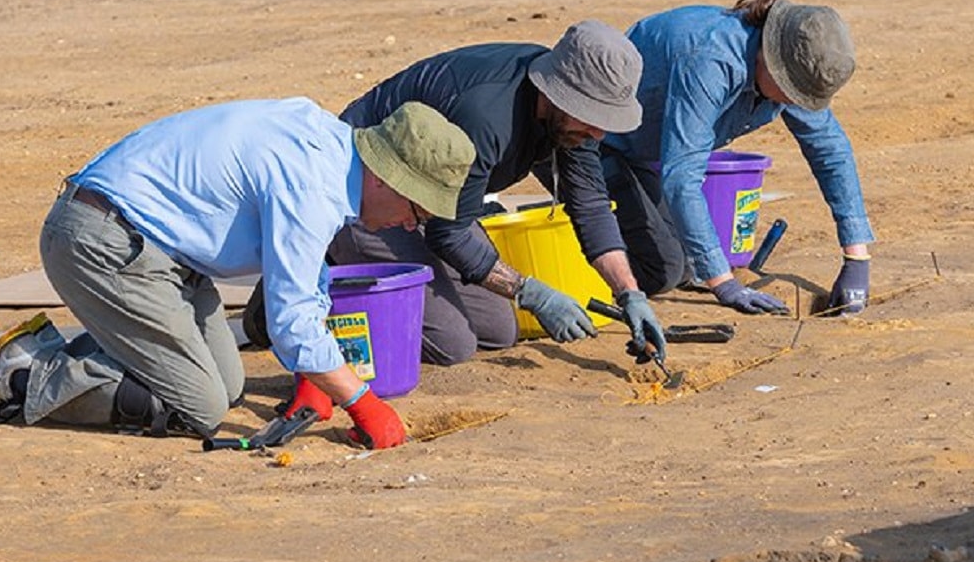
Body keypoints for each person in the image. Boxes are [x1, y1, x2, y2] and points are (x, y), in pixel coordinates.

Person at [0, 99, 477, 450]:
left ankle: (81, 352)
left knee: (228, 385)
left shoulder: (326, 146)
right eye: (418, 208)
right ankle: (23, 376)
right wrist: (359, 401)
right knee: (199, 407)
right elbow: (291, 318)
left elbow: (304, 272)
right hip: (101, 241)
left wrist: (316, 378)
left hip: (162, 255)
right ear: (388, 177)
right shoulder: (313, 186)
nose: (411, 223)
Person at [243, 20, 668, 367]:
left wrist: (629, 293)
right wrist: (532, 293)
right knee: (452, 343)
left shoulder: (571, 122)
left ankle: (330, 264)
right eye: (592, 117)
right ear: (557, 92)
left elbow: (590, 204)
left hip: (437, 205)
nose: (598, 131)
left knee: (498, 331)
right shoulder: (487, 117)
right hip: (373, 196)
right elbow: (450, 234)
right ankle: (306, 290)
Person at [599, 0, 873, 316]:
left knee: (688, 261)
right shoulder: (710, 62)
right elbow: (682, 177)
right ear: (771, 61)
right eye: (793, 92)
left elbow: (829, 149)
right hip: (590, 140)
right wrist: (725, 285)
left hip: (643, 152)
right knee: (666, 269)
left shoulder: (792, 65)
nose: (796, 103)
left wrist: (857, 257)